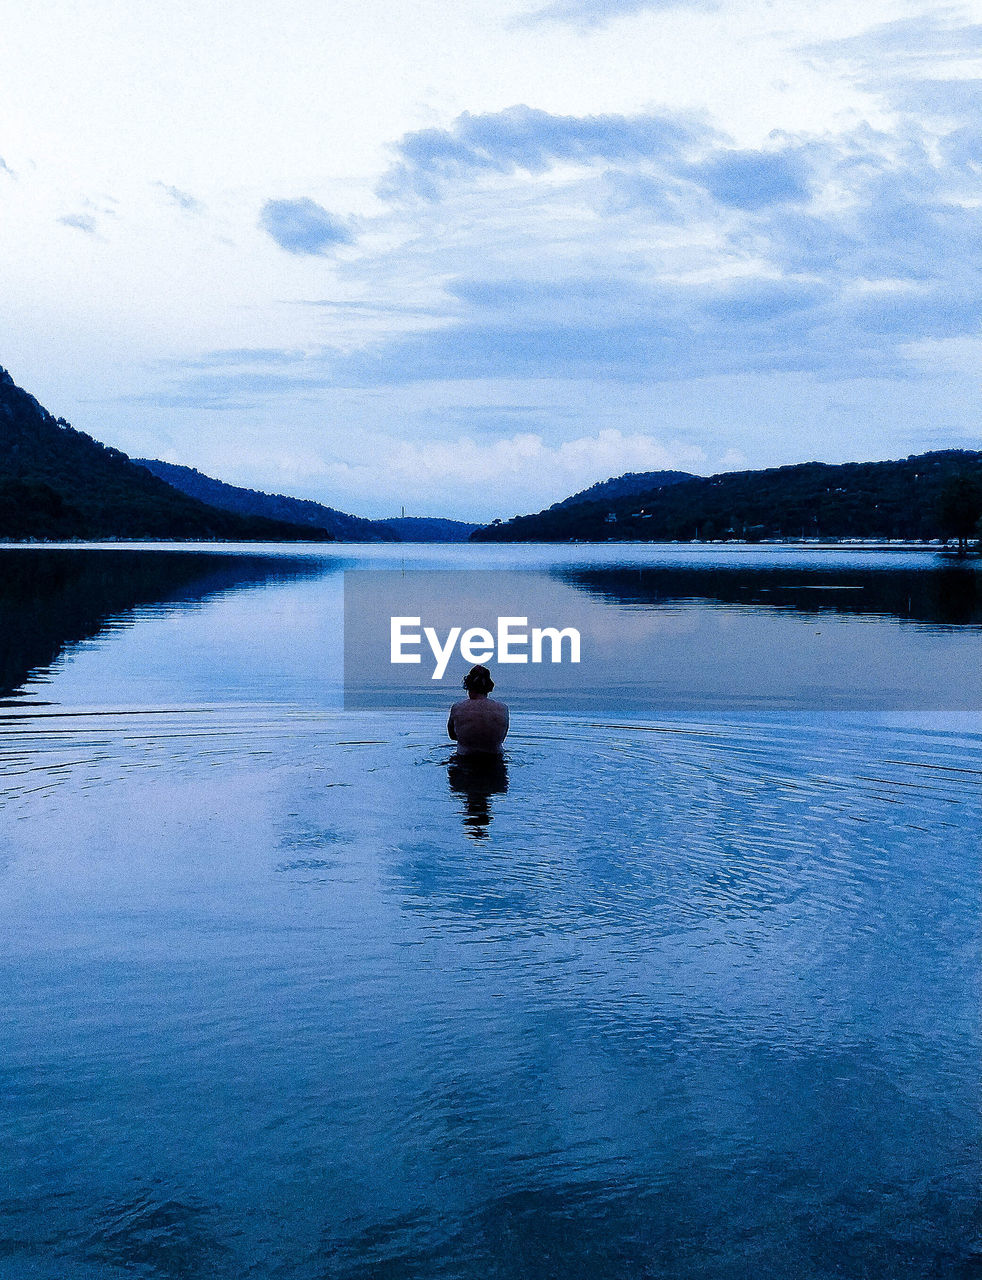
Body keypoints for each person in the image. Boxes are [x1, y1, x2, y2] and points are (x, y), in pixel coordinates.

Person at [447, 665, 509, 756]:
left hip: (464, 758)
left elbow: (452, 736)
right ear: (489, 686)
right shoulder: (503, 708)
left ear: (467, 685)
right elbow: (502, 738)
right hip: (495, 760)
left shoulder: (457, 708)